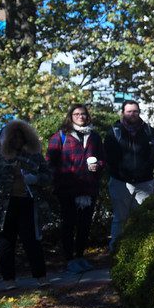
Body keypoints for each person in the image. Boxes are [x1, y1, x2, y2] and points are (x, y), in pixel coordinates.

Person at [0, 119, 54, 287]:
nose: (18, 140)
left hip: (27, 203)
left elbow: (48, 176)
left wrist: (35, 179)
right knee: (5, 244)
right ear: (6, 138)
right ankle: (8, 280)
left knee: (32, 241)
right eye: (14, 137)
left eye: (21, 137)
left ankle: (41, 277)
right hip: (2, 207)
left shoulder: (34, 155)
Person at [46, 104, 105, 273]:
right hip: (67, 189)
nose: (81, 116)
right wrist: (60, 178)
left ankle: (80, 256)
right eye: (77, 114)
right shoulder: (61, 136)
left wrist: (98, 166)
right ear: (70, 116)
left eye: (83, 114)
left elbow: (102, 159)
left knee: (85, 225)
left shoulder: (94, 136)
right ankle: (69, 259)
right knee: (69, 224)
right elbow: (50, 162)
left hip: (89, 187)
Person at [102, 100, 154, 252]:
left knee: (142, 218)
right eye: (129, 111)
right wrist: (123, 174)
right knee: (120, 218)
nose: (132, 114)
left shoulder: (149, 131)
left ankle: (141, 249)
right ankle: (115, 249)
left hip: (144, 182)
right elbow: (109, 157)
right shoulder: (114, 132)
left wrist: (144, 171)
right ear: (123, 112)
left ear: (139, 112)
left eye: (135, 111)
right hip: (120, 181)